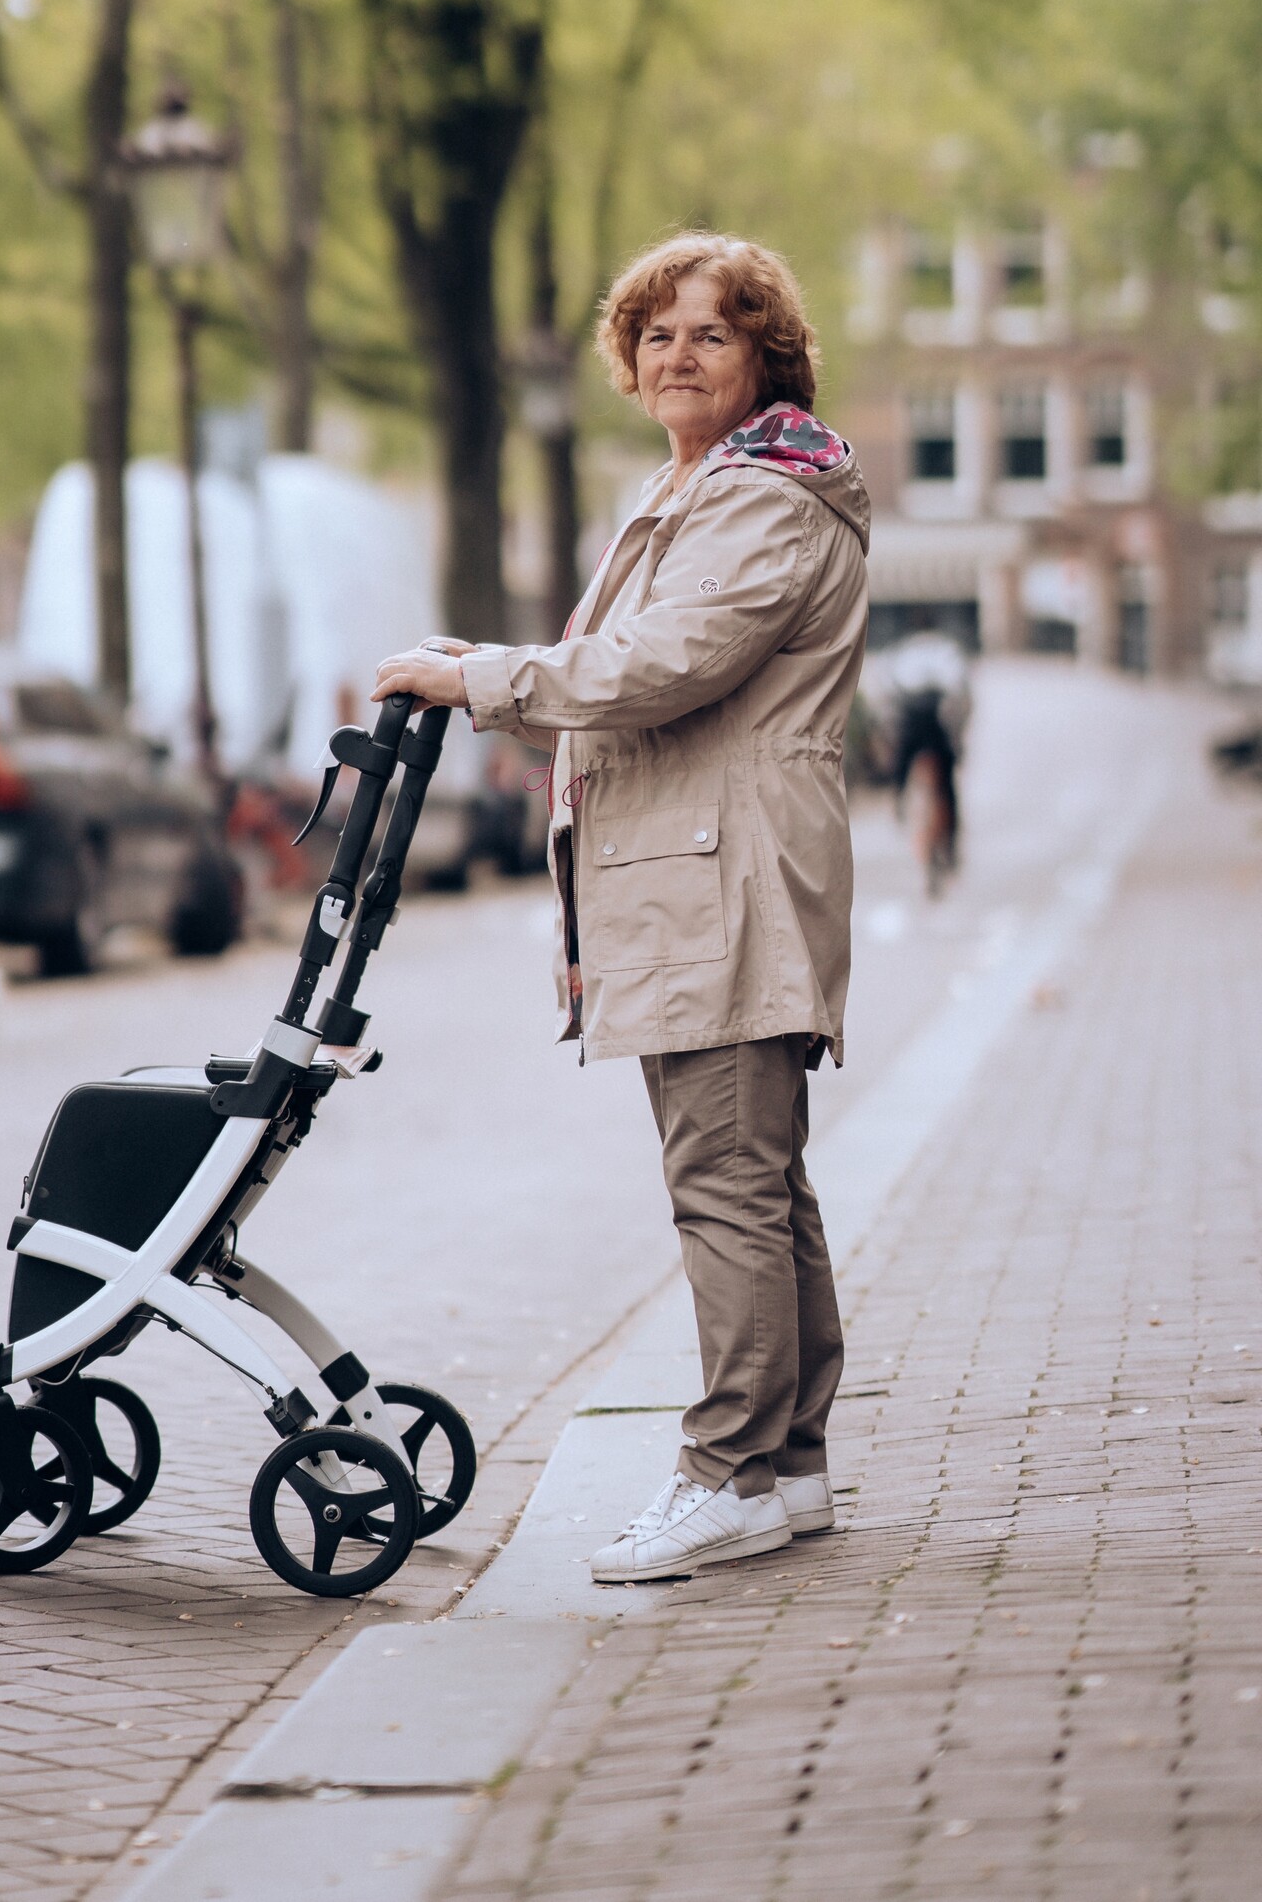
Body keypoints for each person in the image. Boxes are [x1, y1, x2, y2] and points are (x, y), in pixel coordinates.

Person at [373, 232, 871, 1582]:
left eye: (712, 331)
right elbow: (626, 668)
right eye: (655, 332)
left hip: (727, 879)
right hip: (703, 873)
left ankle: (727, 1470)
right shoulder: (706, 485)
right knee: (762, 1183)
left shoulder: (762, 497)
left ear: (770, 352)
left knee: (725, 1183)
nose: (676, 353)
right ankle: (791, 1463)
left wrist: (486, 683)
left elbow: (666, 663)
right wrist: (502, 665)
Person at [882, 613, 971, 875]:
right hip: (937, 722)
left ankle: (898, 803)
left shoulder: (900, 651)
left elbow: (886, 692)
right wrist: (959, 735)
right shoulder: (947, 649)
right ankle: (952, 841)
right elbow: (961, 694)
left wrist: (890, 730)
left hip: (910, 722)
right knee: (947, 783)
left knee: (900, 765)